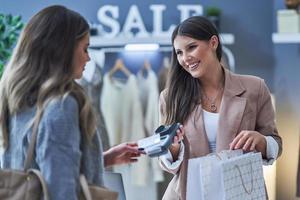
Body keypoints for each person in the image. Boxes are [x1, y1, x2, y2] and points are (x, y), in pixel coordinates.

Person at [0, 5, 141, 199]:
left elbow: (39, 170)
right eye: (85, 48)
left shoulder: (15, 98)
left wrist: (102, 160)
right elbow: (60, 188)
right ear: (62, 50)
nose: (88, 57)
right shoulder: (61, 104)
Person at [158, 16, 282, 200]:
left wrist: (261, 141)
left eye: (191, 47)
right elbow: (166, 161)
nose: (185, 58)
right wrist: (173, 147)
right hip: (188, 193)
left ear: (213, 42)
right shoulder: (170, 97)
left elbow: (276, 144)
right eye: (179, 53)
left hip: (240, 191)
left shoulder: (255, 88)